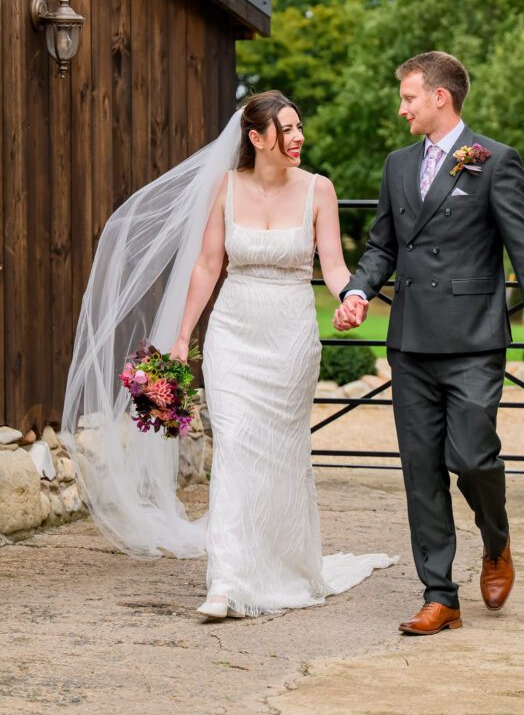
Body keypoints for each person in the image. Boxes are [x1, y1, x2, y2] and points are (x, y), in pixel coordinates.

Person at [62, 91, 395, 620]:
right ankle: (228, 581)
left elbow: (332, 263)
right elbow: (205, 266)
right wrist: (180, 337)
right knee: (236, 448)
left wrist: (351, 298)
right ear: (257, 139)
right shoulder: (226, 187)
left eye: (299, 126)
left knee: (281, 453)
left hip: (289, 336)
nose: (298, 136)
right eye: (286, 129)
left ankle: (285, 565)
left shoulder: (319, 190)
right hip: (234, 335)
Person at [333, 51, 524, 635]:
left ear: (441, 97)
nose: (402, 107)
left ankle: (496, 539)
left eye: (410, 96)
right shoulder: (396, 164)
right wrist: (360, 290)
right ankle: (441, 595)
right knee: (420, 470)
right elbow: (382, 244)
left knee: (471, 456)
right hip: (410, 339)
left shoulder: (494, 161)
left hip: (472, 340)